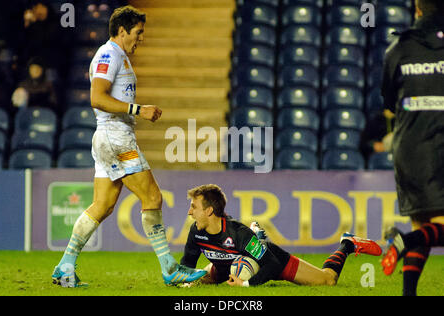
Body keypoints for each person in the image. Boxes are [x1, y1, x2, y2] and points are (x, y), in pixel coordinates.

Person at [51, 5, 206, 287]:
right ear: (122, 31)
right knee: (153, 198)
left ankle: (65, 266)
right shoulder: (109, 55)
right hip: (115, 137)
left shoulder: (117, 56)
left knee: (103, 205)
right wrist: (138, 109)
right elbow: (96, 98)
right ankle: (170, 268)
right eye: (138, 32)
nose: (142, 38)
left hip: (108, 137)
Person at [180, 184, 382, 287]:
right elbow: (187, 264)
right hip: (227, 266)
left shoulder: (238, 233)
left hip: (273, 260)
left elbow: (272, 264)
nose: (189, 212)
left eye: (193, 207)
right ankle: (258, 236)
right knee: (197, 280)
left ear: (209, 211)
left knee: (328, 281)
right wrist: (184, 279)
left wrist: (246, 284)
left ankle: (347, 243)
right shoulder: (196, 232)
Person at [380, 0, 444, 296]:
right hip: (440, 142)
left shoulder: (398, 49)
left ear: (418, 10)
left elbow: (390, 101)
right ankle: (405, 242)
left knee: (423, 224)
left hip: (410, 147)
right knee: (425, 233)